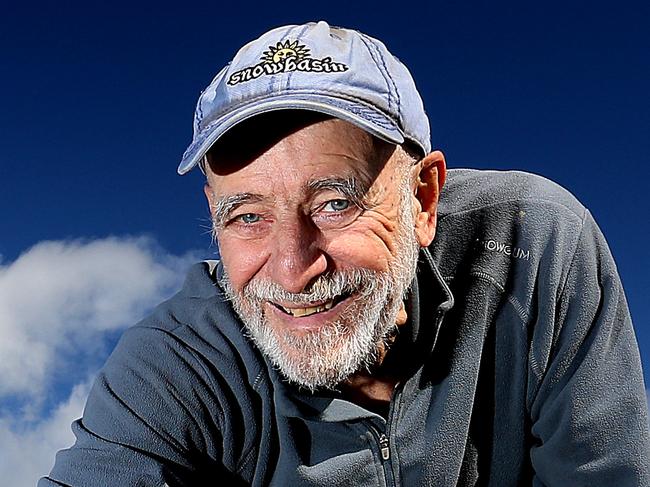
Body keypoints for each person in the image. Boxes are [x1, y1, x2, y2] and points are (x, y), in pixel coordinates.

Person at [41, 21, 649, 486]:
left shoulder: (529, 247)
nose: (291, 268)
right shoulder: (178, 363)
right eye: (247, 217)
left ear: (423, 197)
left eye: (334, 203)